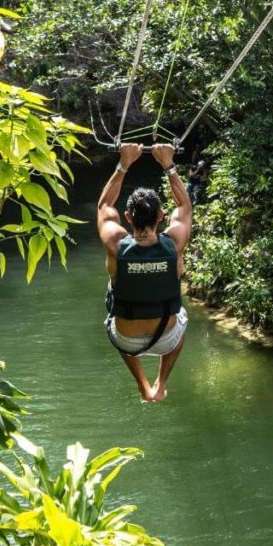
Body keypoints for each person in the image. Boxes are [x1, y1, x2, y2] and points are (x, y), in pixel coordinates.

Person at [97, 143, 192, 402]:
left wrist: (123, 164)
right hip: (167, 339)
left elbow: (104, 205)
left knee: (115, 322)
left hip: (126, 340)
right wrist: (168, 165)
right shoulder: (174, 243)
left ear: (128, 217)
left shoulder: (116, 244)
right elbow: (184, 207)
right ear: (161, 215)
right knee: (181, 320)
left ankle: (143, 386)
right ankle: (160, 384)